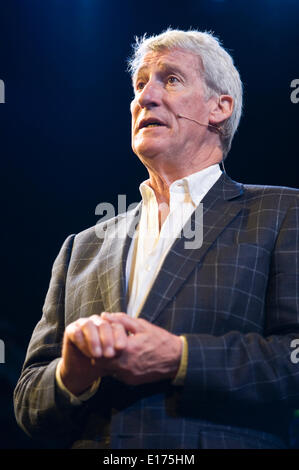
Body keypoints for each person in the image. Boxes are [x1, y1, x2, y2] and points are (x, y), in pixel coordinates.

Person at [14, 29, 299, 449]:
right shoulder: (82, 248)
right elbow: (27, 403)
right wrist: (71, 374)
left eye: (170, 79)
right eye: (140, 84)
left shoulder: (283, 214)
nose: (145, 97)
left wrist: (179, 357)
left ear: (219, 107)